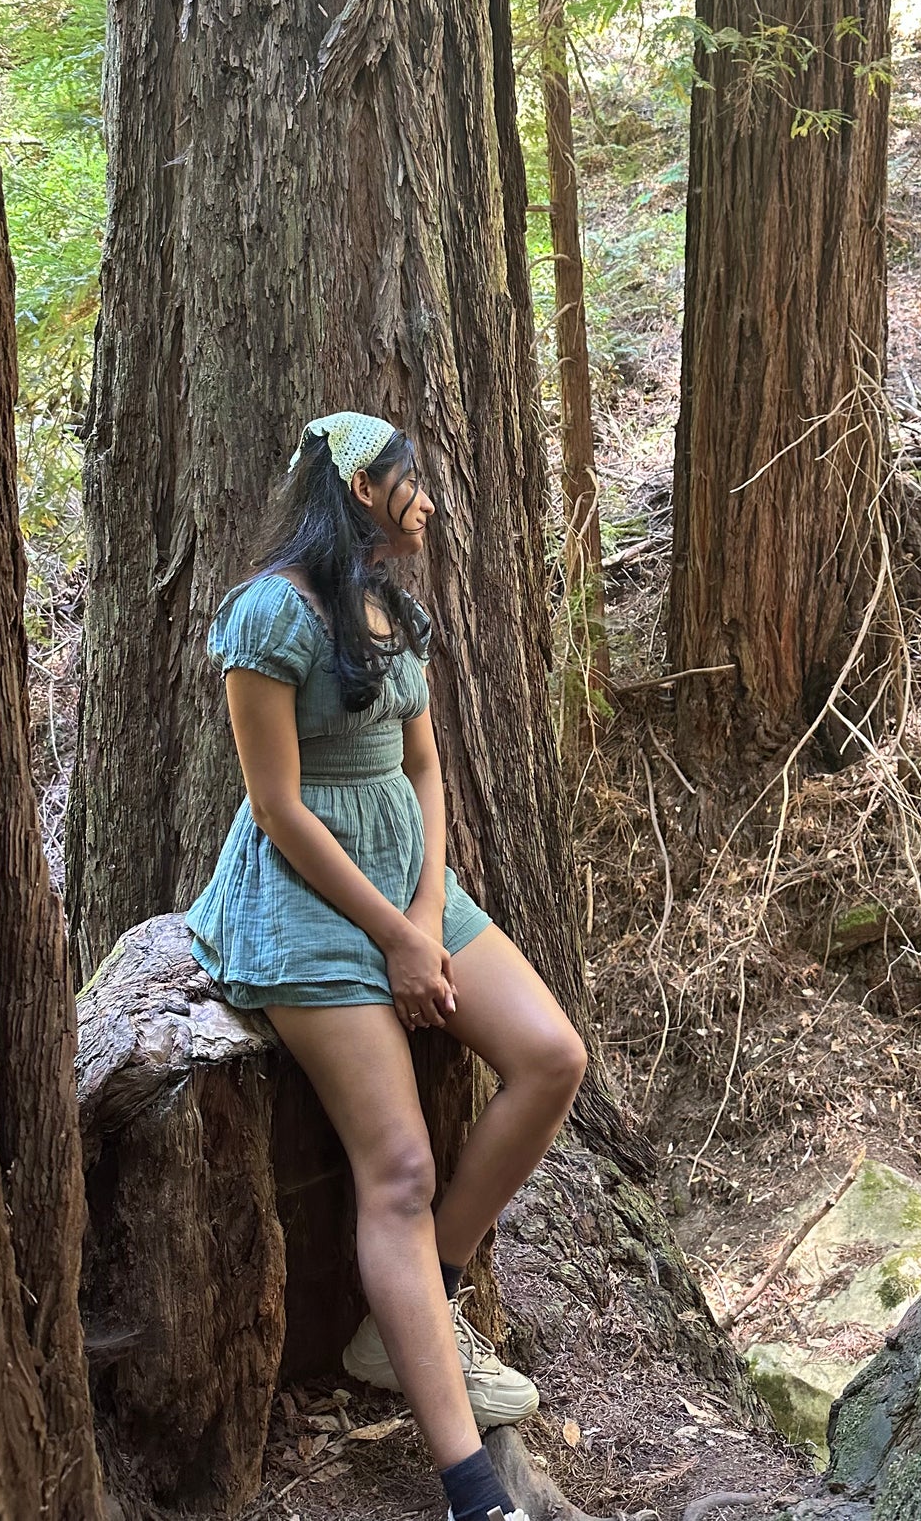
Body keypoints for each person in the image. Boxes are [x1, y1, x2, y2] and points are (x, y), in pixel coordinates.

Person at [185, 410, 588, 1521]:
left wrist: (424, 911)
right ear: (359, 486)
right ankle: (471, 1488)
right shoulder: (270, 614)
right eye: (409, 483)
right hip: (306, 902)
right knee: (398, 1170)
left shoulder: (390, 608)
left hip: (411, 886)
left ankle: (420, 1300)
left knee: (551, 1057)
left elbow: (424, 766)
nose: (426, 501)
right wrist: (389, 936)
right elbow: (274, 808)